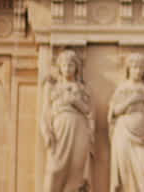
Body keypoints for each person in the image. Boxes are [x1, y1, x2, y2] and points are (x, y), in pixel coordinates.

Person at [42, 49, 93, 192]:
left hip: (79, 127)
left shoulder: (82, 88)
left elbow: (89, 111)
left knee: (77, 170)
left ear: (77, 68)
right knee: (54, 169)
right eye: (64, 65)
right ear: (59, 67)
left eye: (71, 65)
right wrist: (46, 132)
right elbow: (45, 113)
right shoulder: (53, 87)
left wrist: (75, 101)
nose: (67, 68)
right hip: (60, 127)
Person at [109, 53, 144, 192]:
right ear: (128, 69)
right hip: (124, 133)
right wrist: (133, 99)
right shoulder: (123, 89)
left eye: (140, 68)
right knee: (125, 174)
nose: (137, 71)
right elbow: (115, 112)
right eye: (134, 67)